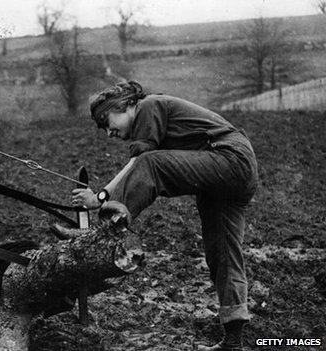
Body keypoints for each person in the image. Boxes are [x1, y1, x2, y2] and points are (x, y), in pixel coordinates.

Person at [69, 81, 258, 351]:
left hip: (229, 158)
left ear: (126, 106)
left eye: (106, 120)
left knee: (151, 162)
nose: (108, 132)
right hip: (235, 172)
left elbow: (141, 163)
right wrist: (102, 198)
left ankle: (109, 232)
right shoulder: (148, 114)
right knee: (222, 253)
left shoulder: (147, 107)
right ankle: (233, 341)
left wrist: (102, 199)